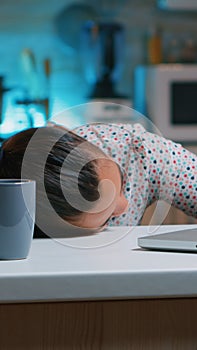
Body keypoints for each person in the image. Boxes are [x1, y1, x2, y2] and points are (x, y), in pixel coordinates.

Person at [0, 122, 196, 238]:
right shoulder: (18, 227)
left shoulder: (141, 151)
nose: (125, 205)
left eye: (121, 178)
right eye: (107, 220)